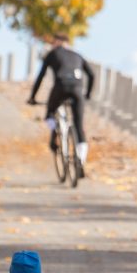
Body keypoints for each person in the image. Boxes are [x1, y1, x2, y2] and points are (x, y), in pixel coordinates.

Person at [28, 34, 95, 178]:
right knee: (78, 125)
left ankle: (54, 136)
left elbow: (40, 76)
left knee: (49, 115)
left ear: (57, 42)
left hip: (60, 88)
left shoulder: (53, 54)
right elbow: (92, 75)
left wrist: (32, 97)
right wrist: (87, 95)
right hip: (77, 90)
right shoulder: (78, 55)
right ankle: (81, 159)